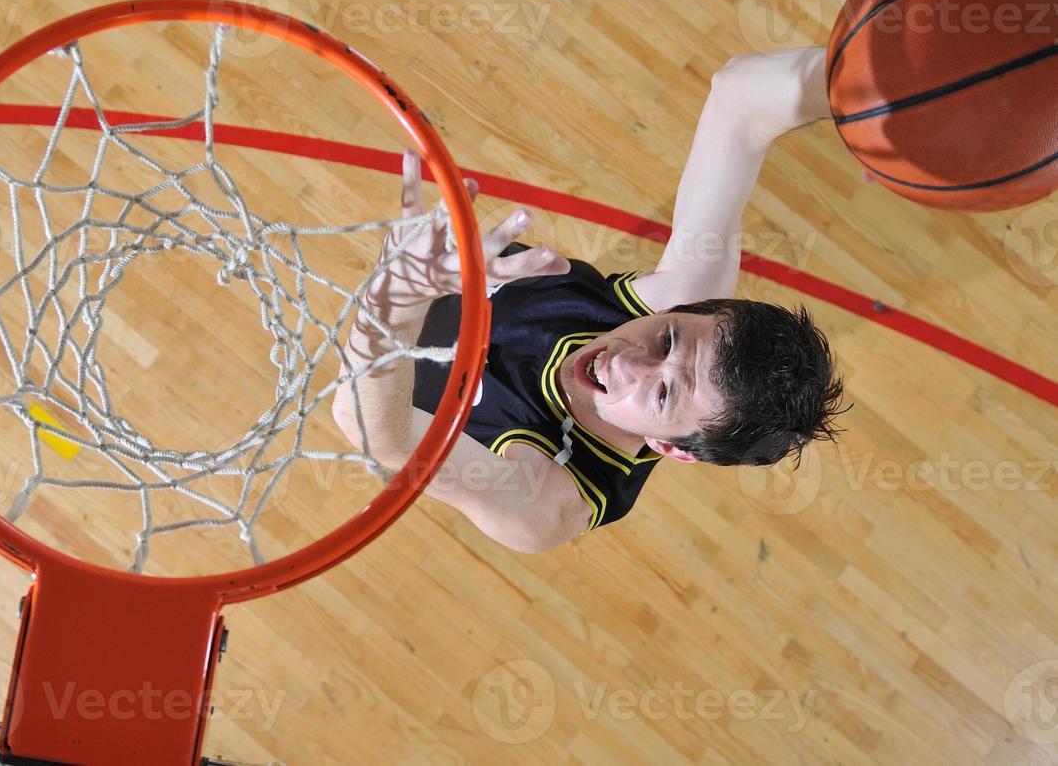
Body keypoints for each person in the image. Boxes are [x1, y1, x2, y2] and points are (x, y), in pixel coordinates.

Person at [332, 47, 849, 553]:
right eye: (665, 337)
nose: (627, 362)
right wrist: (874, 84)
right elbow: (740, 99)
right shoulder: (692, 303)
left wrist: (399, 292)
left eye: (664, 395)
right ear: (680, 312)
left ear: (669, 448)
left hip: (381, 358)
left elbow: (375, 429)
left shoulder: (545, 502)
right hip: (432, 279)